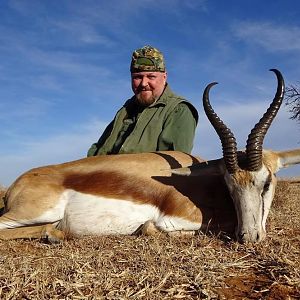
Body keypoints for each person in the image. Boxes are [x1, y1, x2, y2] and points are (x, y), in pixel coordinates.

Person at [87, 45, 198, 157]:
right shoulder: (125, 109)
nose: (144, 83)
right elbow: (97, 150)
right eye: (137, 77)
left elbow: (175, 165)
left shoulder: (179, 110)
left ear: (164, 77)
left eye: (151, 77)